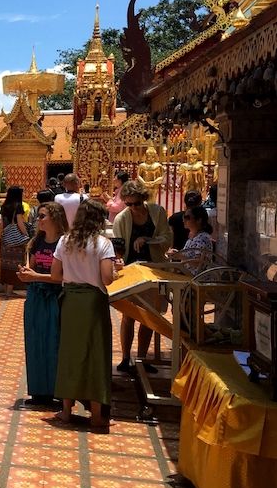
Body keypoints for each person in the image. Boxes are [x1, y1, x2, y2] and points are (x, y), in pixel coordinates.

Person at [50, 198, 118, 430]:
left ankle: (67, 411)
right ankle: (97, 415)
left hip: (70, 301)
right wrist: (116, 271)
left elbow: (55, 274)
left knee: (69, 353)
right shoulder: (103, 243)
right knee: (95, 355)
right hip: (92, 303)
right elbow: (107, 278)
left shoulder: (65, 241)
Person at [112, 180, 170, 375]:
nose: (133, 208)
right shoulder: (122, 218)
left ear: (143, 200)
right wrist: (118, 259)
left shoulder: (157, 212)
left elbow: (167, 238)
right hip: (131, 271)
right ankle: (126, 357)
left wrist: (148, 240)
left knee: (149, 316)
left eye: (136, 203)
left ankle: (143, 358)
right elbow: (118, 246)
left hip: (153, 268)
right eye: (128, 204)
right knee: (129, 316)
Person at [17, 202, 69, 406]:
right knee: (35, 342)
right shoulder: (35, 242)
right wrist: (26, 274)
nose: (38, 220)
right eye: (38, 216)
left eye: (42, 216)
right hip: (36, 296)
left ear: (55, 218)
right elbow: (31, 266)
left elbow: (61, 277)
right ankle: (38, 391)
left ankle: (56, 391)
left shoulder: (64, 243)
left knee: (54, 343)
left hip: (55, 297)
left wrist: (36, 276)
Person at [0, 186, 30, 297]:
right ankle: (9, 291)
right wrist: (26, 234)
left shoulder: (4, 206)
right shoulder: (18, 206)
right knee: (15, 264)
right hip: (16, 239)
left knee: (6, 264)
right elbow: (20, 222)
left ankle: (5, 289)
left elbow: (2, 223)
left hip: (5, 238)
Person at [166, 205, 214, 275]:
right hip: (187, 275)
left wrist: (180, 255)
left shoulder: (203, 238)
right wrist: (178, 253)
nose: (183, 220)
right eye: (184, 217)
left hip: (195, 279)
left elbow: (198, 264)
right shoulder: (193, 236)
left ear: (198, 220)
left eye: (187, 217)